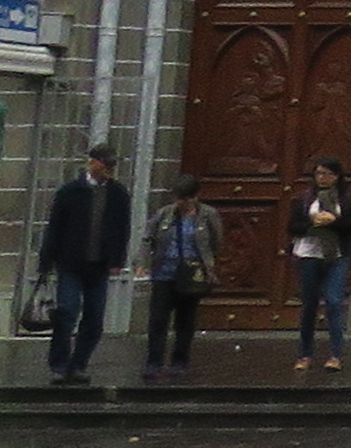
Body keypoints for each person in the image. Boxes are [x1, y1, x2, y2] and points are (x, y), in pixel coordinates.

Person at [37, 142, 131, 383]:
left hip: (99, 265)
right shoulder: (70, 192)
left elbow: (122, 229)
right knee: (66, 312)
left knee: (95, 316)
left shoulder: (118, 194)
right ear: (92, 163)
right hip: (71, 263)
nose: (108, 170)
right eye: (105, 164)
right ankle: (59, 364)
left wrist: (117, 259)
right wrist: (46, 261)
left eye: (111, 166)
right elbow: (55, 228)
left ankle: (79, 364)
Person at [136, 178, 220, 386]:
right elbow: (148, 238)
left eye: (186, 198)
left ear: (195, 197)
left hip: (191, 275)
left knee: (185, 320)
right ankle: (154, 362)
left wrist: (207, 265)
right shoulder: (165, 214)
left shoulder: (207, 215)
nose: (182, 203)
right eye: (179, 198)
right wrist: (143, 262)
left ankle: (179, 362)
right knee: (158, 319)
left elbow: (216, 241)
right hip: (164, 272)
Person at [285, 156, 351, 371]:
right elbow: (293, 226)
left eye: (327, 174)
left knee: (334, 301)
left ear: (337, 176)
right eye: (319, 174)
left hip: (336, 255)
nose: (323, 178)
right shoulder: (306, 199)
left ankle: (336, 353)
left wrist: (335, 221)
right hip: (309, 253)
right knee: (309, 303)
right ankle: (305, 353)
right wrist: (311, 222)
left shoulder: (347, 198)